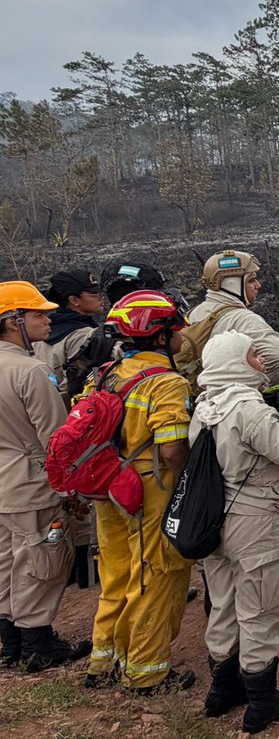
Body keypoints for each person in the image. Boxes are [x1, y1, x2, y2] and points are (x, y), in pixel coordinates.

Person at [193, 331, 279, 733]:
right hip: (254, 523)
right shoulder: (249, 410)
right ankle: (263, 700)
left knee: (224, 604)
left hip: (213, 519)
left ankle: (222, 688)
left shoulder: (203, 408)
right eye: (252, 354)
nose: (260, 361)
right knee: (260, 609)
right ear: (235, 361)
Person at [84, 290, 194, 694]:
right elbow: (172, 448)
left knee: (115, 574)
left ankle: (104, 660)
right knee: (154, 573)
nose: (183, 335)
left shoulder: (104, 373)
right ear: (161, 337)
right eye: (177, 328)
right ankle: (146, 673)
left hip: (109, 486)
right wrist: (188, 484)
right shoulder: (165, 382)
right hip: (150, 488)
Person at [0, 281, 91, 672]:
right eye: (37, 313)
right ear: (11, 321)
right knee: (42, 557)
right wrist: (70, 489)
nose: (48, 318)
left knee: (6, 559)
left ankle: (12, 641)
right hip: (33, 483)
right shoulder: (32, 371)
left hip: (5, 482)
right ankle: (38, 641)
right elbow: (57, 440)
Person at [187, 250, 279, 386]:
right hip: (240, 402)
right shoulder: (244, 319)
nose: (258, 285)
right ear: (231, 284)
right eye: (251, 280)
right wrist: (264, 391)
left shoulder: (193, 313)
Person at [35, 269, 103, 404]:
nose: (101, 297)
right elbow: (94, 380)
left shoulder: (39, 333)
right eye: (94, 293)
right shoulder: (85, 335)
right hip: (74, 412)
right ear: (74, 300)